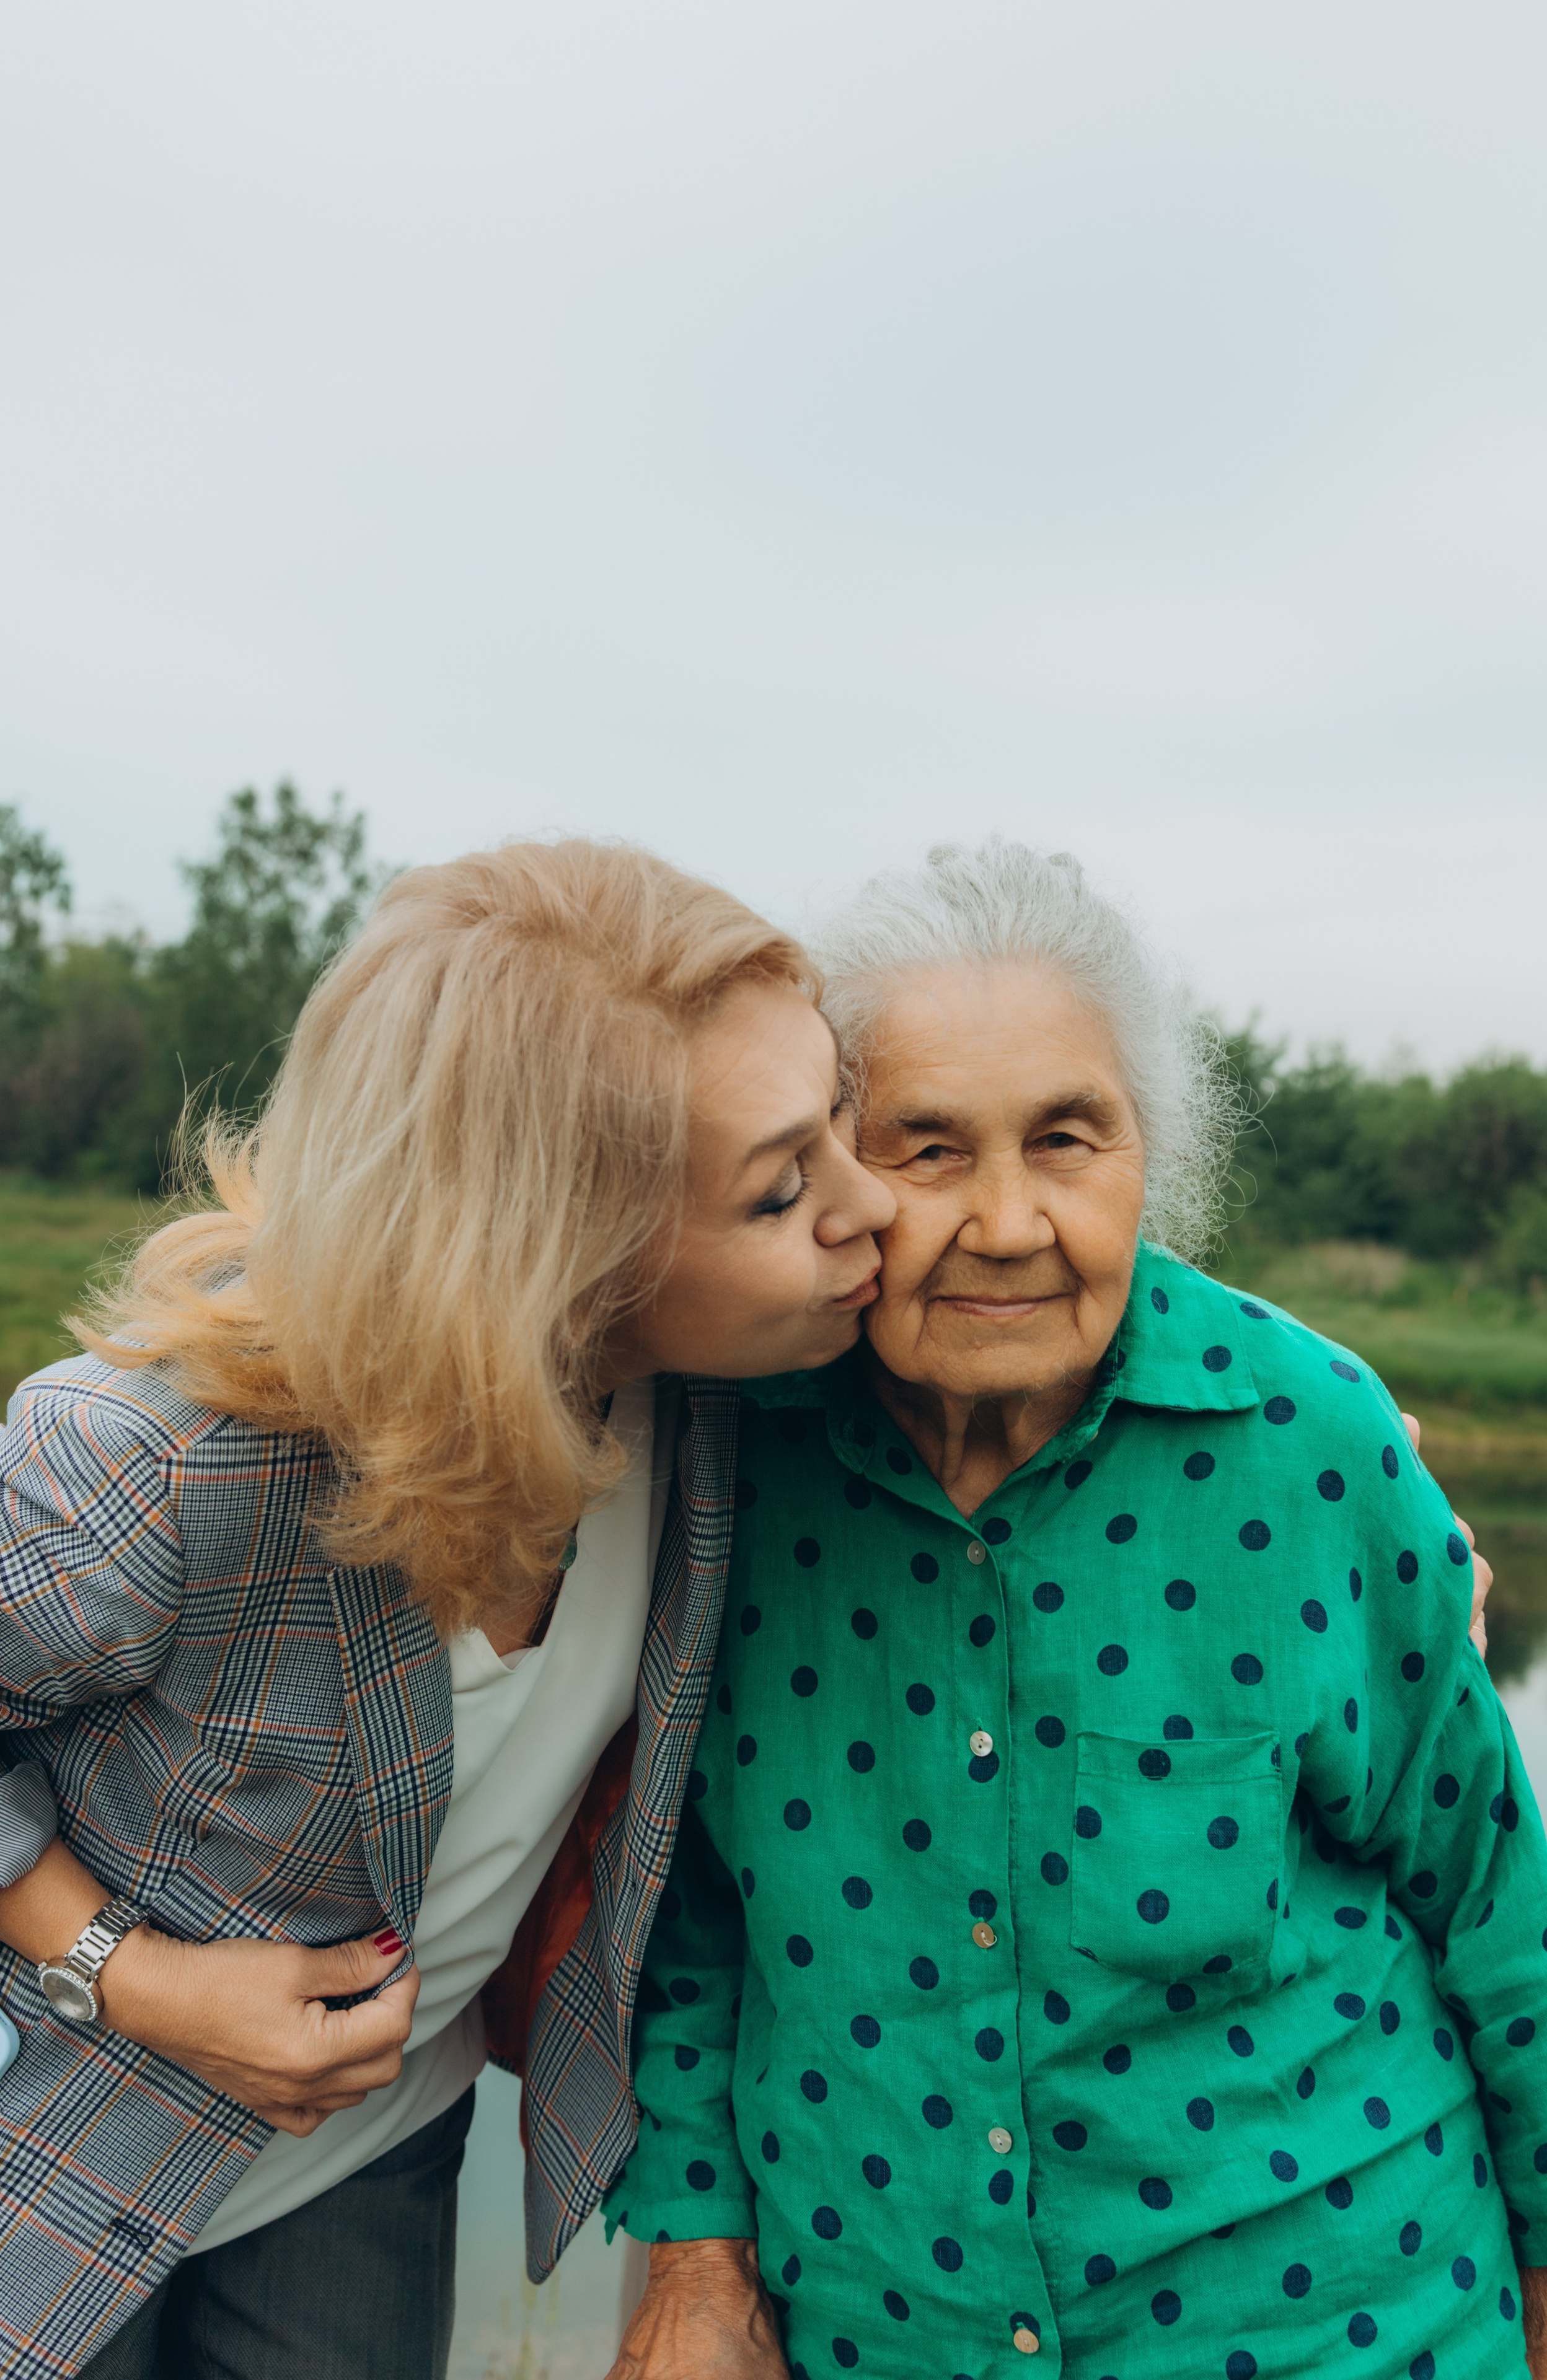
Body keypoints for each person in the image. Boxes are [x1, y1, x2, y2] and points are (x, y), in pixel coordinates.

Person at [607, 840, 1542, 2380]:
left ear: (1145, 1153)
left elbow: (1497, 1910)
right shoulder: (729, 1452)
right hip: (886, 2337)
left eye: (1064, 1139)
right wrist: (695, 2262)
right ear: (837, 1178)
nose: (1005, 1220)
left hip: (1338, 2327)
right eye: (926, 1149)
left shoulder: (1306, 1439)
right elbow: (695, 1911)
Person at [0, 838, 894, 2380]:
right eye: (782, 1186)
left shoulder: (714, 1404)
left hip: (368, 2168)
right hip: (42, 2166)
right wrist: (126, 1968)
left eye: (841, 1124)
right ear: (565, 1259)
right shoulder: (171, 1463)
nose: (872, 1207)